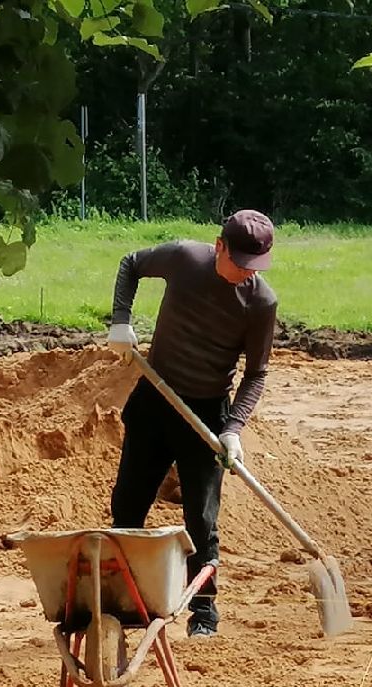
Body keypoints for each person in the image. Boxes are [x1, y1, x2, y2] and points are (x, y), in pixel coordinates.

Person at [104, 209, 278, 637]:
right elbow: (130, 263)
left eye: (254, 267)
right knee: (127, 505)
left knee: (201, 517)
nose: (246, 274)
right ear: (218, 247)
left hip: (205, 411)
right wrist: (121, 320)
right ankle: (127, 600)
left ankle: (204, 610)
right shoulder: (183, 258)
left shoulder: (260, 302)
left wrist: (233, 428)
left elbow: (256, 373)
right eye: (239, 264)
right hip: (156, 398)